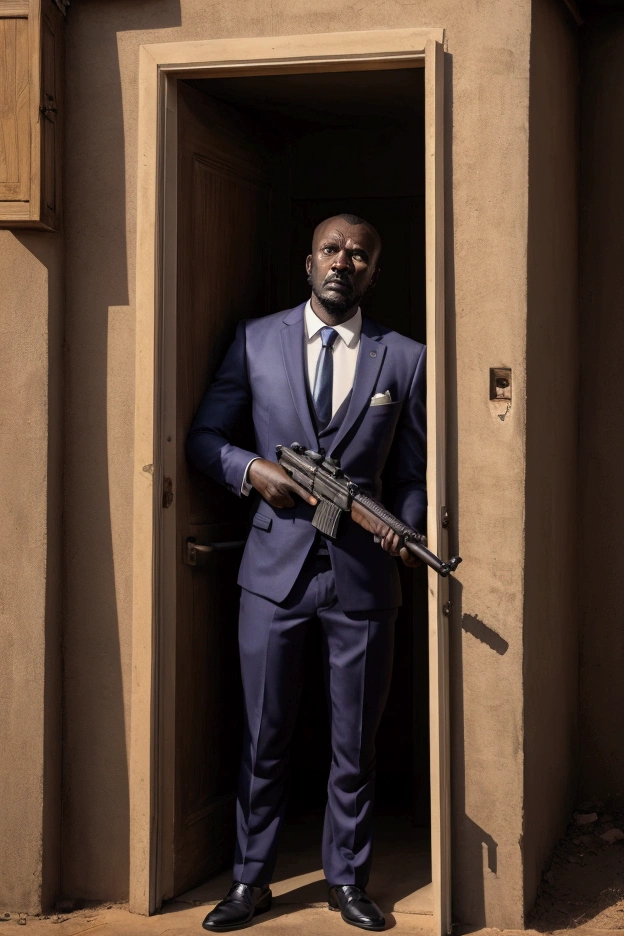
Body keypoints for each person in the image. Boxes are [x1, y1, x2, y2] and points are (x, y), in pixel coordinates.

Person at [186, 214, 426, 933]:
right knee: (265, 734)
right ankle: (251, 881)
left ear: (374, 270)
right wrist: (251, 468)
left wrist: (399, 525)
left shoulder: (405, 359)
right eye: (331, 249)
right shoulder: (256, 341)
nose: (342, 262)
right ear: (308, 261)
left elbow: (412, 473)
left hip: (361, 580)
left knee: (354, 741)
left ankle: (347, 880)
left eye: (359, 254)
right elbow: (204, 437)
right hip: (272, 574)